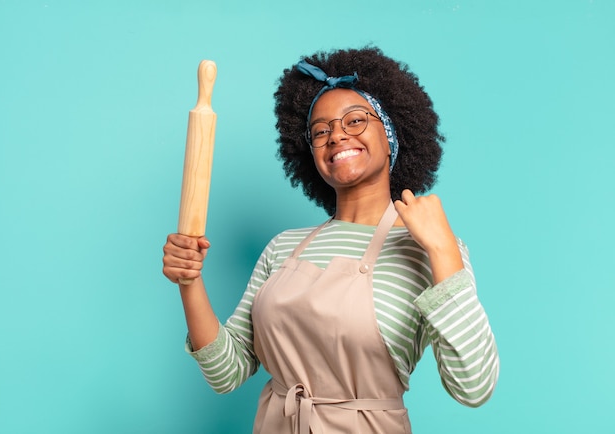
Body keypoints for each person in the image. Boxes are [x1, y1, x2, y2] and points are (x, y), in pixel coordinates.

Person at [162, 46, 499, 433]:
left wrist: (442, 249)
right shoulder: (283, 247)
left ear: (392, 134)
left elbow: (474, 387)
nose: (336, 135)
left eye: (355, 120)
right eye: (320, 131)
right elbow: (227, 372)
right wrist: (189, 283)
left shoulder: (431, 249)